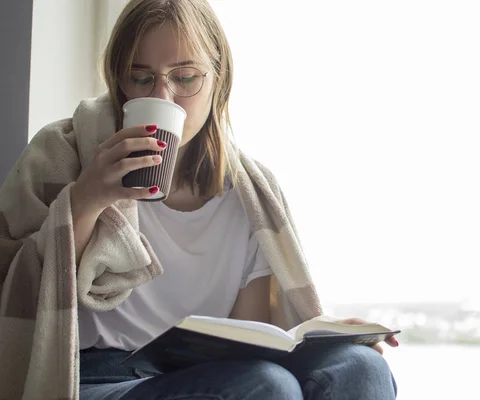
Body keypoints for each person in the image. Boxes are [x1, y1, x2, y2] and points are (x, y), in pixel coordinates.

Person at [0, 0, 398, 399]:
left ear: (218, 79)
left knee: (360, 367)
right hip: (89, 375)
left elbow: (250, 342)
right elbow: (15, 295)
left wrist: (323, 337)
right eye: (140, 78)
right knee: (267, 386)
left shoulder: (251, 197)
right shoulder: (64, 153)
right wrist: (87, 198)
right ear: (118, 81)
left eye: (185, 77)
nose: (164, 96)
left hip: (196, 374)